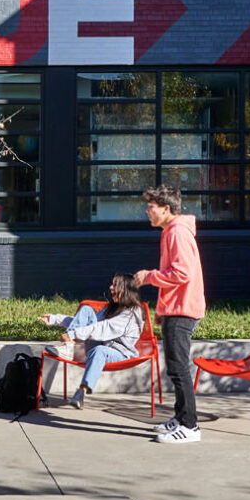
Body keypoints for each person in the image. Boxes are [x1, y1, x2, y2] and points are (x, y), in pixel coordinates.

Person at [135, 185, 206, 444]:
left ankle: (190, 426)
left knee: (178, 368)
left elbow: (182, 274)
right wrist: (162, 310)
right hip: (176, 308)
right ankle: (180, 417)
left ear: (166, 209)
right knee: (176, 368)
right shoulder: (171, 231)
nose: (147, 212)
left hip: (184, 309)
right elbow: (176, 275)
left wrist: (149, 276)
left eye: (151, 208)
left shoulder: (177, 232)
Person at [38, 274, 145, 409]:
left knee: (99, 350)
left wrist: (72, 334)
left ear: (126, 289)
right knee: (87, 310)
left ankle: (81, 391)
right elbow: (88, 325)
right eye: (111, 284)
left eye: (115, 285)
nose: (110, 287)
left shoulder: (131, 313)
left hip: (120, 354)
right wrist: (55, 319)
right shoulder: (111, 308)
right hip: (98, 347)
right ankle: (69, 347)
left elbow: (103, 328)